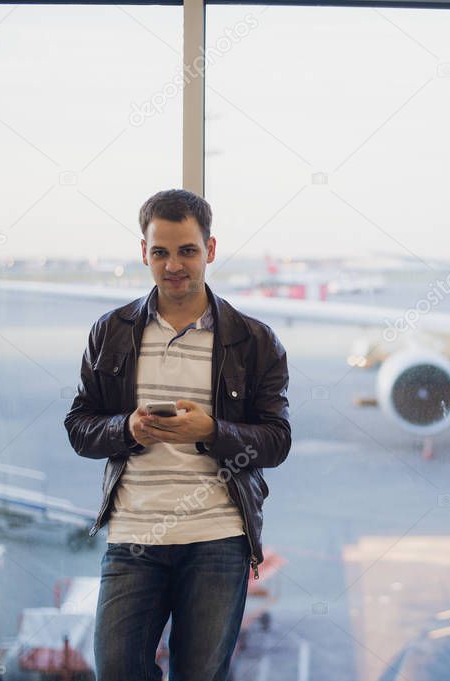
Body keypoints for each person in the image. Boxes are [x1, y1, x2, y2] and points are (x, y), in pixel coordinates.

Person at [64, 189, 292, 681]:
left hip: (216, 538)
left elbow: (277, 441)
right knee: (118, 671)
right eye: (161, 251)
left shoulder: (255, 341)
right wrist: (126, 429)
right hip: (134, 537)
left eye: (187, 250)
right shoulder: (110, 331)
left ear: (209, 250)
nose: (174, 265)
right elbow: (79, 428)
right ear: (144, 252)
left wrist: (210, 430)